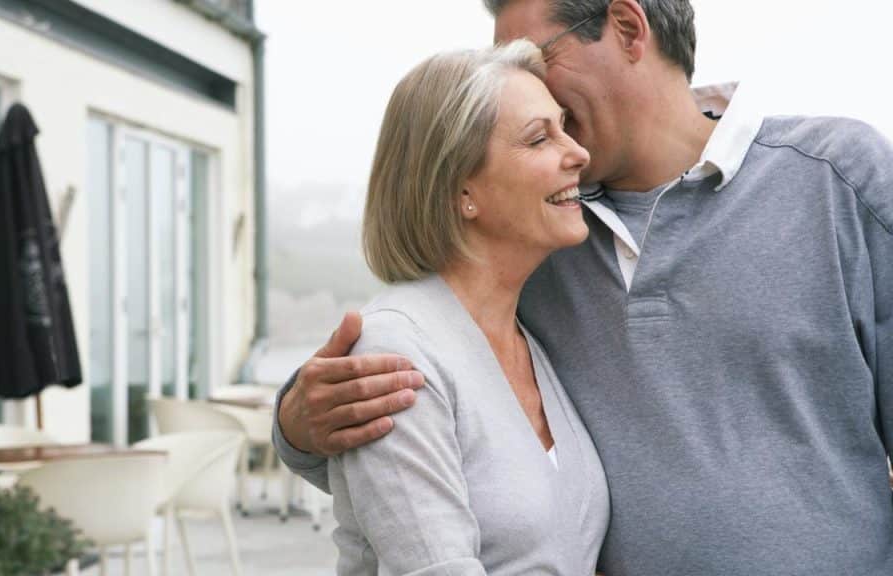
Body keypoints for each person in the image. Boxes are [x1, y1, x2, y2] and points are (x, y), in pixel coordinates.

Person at [274, 0, 893, 573]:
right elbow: (417, 350)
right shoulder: (537, 232)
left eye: (536, 58)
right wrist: (297, 425)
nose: (524, 79)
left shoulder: (839, 178)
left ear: (626, 28)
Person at [328, 40, 607, 575]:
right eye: (539, 138)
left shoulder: (529, 340)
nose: (577, 153)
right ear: (462, 190)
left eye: (564, 127)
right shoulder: (398, 353)